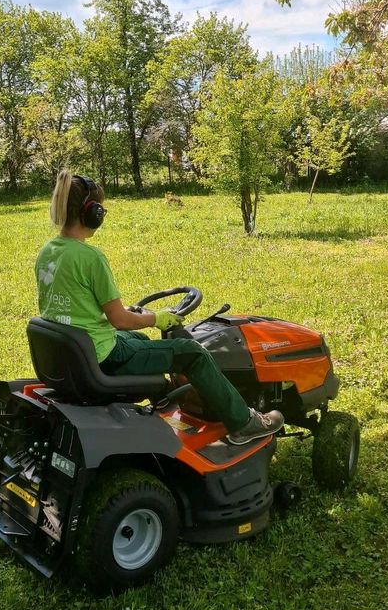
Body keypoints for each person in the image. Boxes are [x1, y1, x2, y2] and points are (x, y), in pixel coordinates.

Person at [35, 170, 284, 444]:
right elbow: (119, 319)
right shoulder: (90, 258)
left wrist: (138, 319)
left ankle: (163, 404)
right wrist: (157, 318)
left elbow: (78, 306)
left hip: (75, 353)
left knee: (138, 339)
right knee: (192, 353)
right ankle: (243, 423)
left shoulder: (48, 251)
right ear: (92, 212)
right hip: (104, 356)